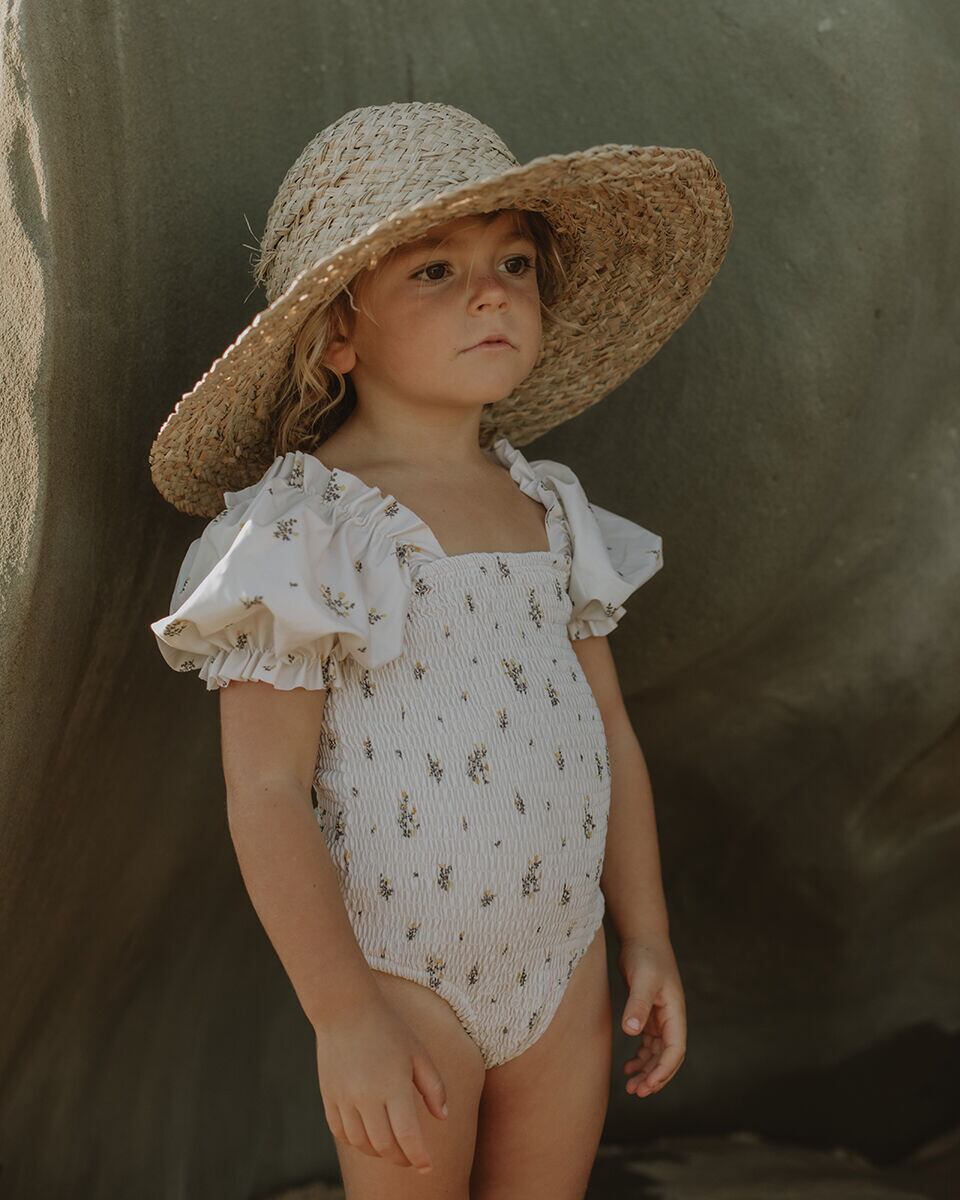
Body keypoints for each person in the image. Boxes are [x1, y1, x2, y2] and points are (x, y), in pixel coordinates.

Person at [148, 101, 732, 1199]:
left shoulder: (548, 509)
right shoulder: (309, 529)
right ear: (338, 334)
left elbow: (607, 730)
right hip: (400, 978)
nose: (492, 291)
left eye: (514, 262)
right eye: (435, 270)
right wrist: (343, 1015)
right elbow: (265, 790)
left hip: (563, 963)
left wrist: (645, 934)